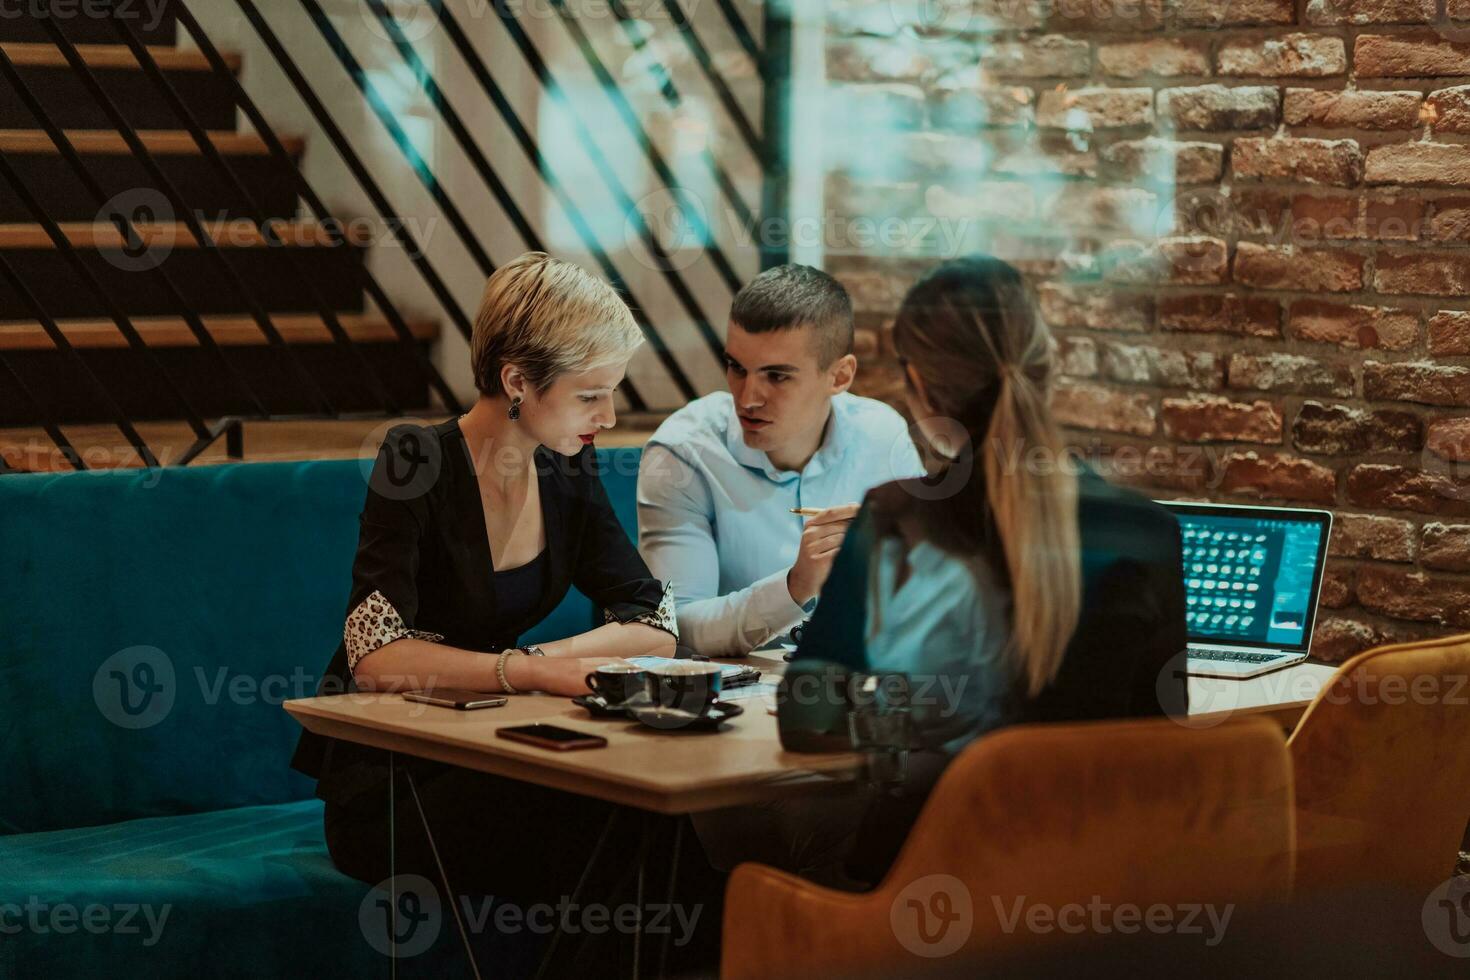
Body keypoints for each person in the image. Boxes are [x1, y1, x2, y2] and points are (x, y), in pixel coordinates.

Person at [706, 255, 1189, 888]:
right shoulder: (1148, 530)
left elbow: (807, 722)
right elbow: (1162, 729)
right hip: (1097, 891)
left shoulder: (893, 521)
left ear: (922, 388)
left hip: (920, 894)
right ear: (1046, 368)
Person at [289, 252, 681, 914]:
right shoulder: (415, 460)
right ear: (517, 381)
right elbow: (376, 657)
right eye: (590, 395)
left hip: (496, 751)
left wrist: (540, 662)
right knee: (607, 829)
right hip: (393, 782)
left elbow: (657, 622)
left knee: (661, 832)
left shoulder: (566, 471)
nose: (609, 417)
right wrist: (528, 675)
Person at [636, 264, 925, 657]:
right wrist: (795, 586)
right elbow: (676, 627)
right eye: (737, 368)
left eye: (777, 376)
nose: (748, 397)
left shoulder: (883, 436)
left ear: (840, 377)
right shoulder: (683, 454)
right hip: (734, 701)